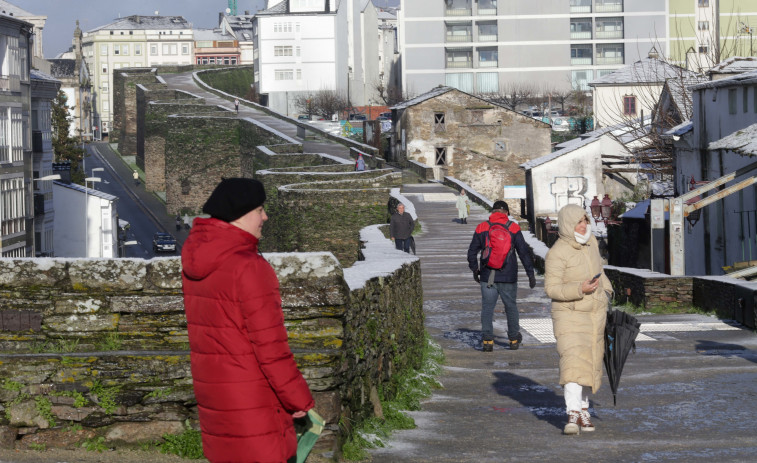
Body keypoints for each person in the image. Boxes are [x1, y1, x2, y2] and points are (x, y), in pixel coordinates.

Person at [182, 178, 314, 462]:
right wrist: (298, 398)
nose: (264, 217)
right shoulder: (249, 268)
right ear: (241, 214)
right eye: (260, 210)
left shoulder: (198, 261)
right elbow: (270, 347)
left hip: (215, 393)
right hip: (253, 397)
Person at [544, 204, 612, 436]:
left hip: (595, 314)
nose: (582, 225)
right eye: (578, 222)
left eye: (585, 221)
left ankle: (584, 409)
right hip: (569, 314)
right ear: (567, 224)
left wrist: (607, 292)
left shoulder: (592, 243)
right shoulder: (557, 252)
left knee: (589, 363)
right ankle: (572, 414)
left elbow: (600, 272)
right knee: (572, 363)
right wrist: (579, 288)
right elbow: (551, 288)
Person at [467, 201, 536, 352]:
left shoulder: (482, 227)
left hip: (487, 275)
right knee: (511, 307)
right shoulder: (513, 227)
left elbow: (472, 252)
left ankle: (487, 341)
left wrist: (475, 269)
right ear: (506, 212)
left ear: (493, 212)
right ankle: (512, 339)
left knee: (487, 308)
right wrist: (530, 274)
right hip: (509, 276)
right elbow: (523, 252)